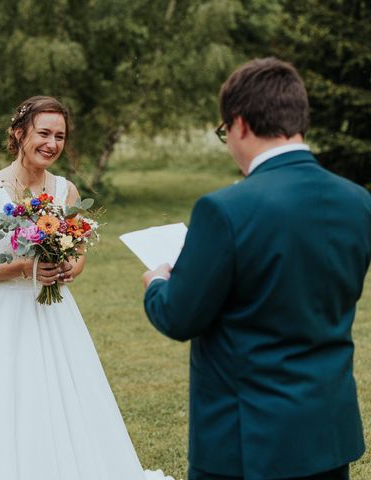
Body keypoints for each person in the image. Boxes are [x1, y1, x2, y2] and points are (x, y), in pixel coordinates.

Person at [143, 57, 371, 480]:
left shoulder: (225, 209)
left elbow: (178, 316)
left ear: (240, 124)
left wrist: (157, 282)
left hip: (247, 441)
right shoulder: (357, 201)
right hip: (328, 435)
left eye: (223, 131)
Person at [0, 96, 168, 480]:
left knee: (65, 397)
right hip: (5, 313)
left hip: (55, 312)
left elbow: (79, 252)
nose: (52, 143)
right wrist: (21, 267)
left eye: (60, 136)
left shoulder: (65, 190)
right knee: (2, 398)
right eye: (44, 133)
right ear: (19, 134)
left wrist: (69, 266)